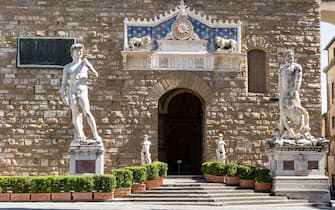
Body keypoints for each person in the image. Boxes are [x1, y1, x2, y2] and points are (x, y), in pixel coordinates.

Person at [61, 43, 102, 144]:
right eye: (76, 51)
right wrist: (63, 95)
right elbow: (64, 84)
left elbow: (96, 75)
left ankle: (96, 135)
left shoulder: (85, 64)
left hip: (82, 91)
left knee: (87, 112)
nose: (79, 53)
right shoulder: (67, 67)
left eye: (80, 51)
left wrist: (89, 67)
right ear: (72, 53)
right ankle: (80, 136)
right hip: (72, 92)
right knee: (75, 115)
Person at [277, 50, 311, 141]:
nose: (291, 57)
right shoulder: (281, 69)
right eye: (289, 56)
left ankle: (301, 130)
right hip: (283, 92)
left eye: (292, 55)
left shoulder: (296, 67)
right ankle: (282, 131)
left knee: (297, 109)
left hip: (293, 91)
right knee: (282, 111)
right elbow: (280, 82)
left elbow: (298, 80)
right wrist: (278, 92)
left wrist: (294, 90)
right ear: (285, 57)